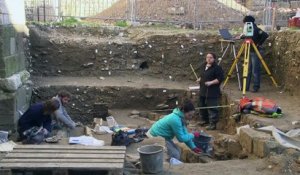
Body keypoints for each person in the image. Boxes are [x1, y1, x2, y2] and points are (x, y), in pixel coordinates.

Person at [239, 15, 269, 92]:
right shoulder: (250, 28)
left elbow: (265, 35)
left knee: (255, 70)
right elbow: (249, 36)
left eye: (245, 23)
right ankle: (246, 87)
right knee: (248, 69)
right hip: (250, 51)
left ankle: (256, 87)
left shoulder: (255, 29)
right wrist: (242, 36)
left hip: (256, 51)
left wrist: (258, 44)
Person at [197, 53, 224, 130]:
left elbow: (220, 79)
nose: (208, 59)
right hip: (203, 90)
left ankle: (213, 124)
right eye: (207, 57)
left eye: (210, 57)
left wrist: (211, 82)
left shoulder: (217, 68)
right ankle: (204, 120)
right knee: (202, 106)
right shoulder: (203, 65)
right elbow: (202, 75)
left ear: (214, 59)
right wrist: (200, 79)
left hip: (212, 91)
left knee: (212, 108)